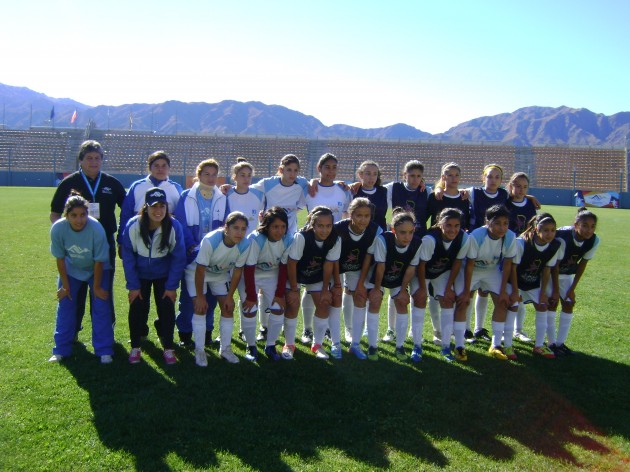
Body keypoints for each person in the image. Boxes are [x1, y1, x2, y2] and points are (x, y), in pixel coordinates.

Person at [50, 140, 125, 339]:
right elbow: (55, 213)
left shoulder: (111, 183)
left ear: (102, 160)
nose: (94, 162)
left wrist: (121, 239)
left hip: (104, 243)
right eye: (89, 158)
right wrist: (63, 236)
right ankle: (72, 330)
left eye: (97, 158)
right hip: (75, 245)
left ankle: (104, 331)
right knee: (76, 286)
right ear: (81, 160)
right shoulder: (69, 183)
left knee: (102, 287)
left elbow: (126, 211)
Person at [122, 188, 187, 365]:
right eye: (153, 206)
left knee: (166, 308)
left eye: (162, 206)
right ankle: (136, 345)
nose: (158, 211)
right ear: (145, 207)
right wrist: (133, 286)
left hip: (164, 276)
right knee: (137, 308)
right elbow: (127, 257)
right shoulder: (133, 225)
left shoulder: (174, 226)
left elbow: (178, 258)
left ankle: (168, 347)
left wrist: (172, 286)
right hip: (140, 275)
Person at [49, 192, 114, 364]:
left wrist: (97, 287)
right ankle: (60, 350)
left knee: (101, 306)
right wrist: (65, 286)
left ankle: (104, 350)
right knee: (66, 305)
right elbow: (60, 258)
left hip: (97, 269)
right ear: (66, 215)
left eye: (83, 215)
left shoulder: (96, 229)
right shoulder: (58, 229)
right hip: (72, 270)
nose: (79, 220)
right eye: (74, 215)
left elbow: (100, 261)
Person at [174, 159, 227, 348]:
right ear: (198, 175)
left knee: (210, 297)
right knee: (190, 297)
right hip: (192, 255)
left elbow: (225, 227)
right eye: (207, 174)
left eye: (214, 174)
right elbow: (180, 224)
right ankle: (185, 334)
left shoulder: (221, 197)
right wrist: (192, 247)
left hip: (214, 255)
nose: (211, 178)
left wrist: (217, 249)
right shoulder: (186, 196)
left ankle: (206, 333)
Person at [302, 153, 352, 344]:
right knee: (309, 287)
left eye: (334, 167)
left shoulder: (342, 190)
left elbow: (347, 212)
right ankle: (307, 329)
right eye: (327, 167)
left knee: (332, 286)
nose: (331, 171)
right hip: (311, 245)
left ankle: (330, 328)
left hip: (334, 245)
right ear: (319, 169)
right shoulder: (309, 189)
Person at [457, 204, 518, 360]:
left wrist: (503, 290)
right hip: (472, 270)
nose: (502, 228)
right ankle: (459, 345)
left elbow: (508, 265)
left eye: (505, 223)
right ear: (487, 222)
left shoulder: (510, 237)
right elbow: (469, 265)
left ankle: (496, 345)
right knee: (462, 302)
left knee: (503, 301)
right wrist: (465, 291)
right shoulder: (477, 236)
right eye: (497, 223)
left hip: (491, 271)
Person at [191, 212, 250, 366]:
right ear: (226, 228)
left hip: (220, 274)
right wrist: (200, 296)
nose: (239, 232)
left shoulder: (245, 244)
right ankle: (200, 351)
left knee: (228, 308)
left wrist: (230, 296)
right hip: (197, 273)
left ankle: (225, 349)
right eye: (235, 228)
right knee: (200, 308)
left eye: (243, 229)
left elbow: (237, 271)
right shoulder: (211, 240)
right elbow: (200, 269)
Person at [364, 208, 422, 361]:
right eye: (403, 232)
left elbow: (410, 269)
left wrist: (403, 290)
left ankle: (400, 346)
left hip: (399, 276)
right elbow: (380, 266)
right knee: (375, 301)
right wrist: (377, 289)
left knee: (402, 302)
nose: (407, 236)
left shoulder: (417, 243)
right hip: (379, 275)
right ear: (393, 229)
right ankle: (372, 346)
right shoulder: (383, 240)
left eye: (411, 232)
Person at [381, 160, 429, 343]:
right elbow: (373, 188)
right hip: (397, 242)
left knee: (417, 289)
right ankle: (391, 329)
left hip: (417, 243)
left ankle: (414, 331)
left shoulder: (427, 192)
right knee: (395, 287)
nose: (415, 179)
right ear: (404, 175)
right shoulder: (394, 188)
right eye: (411, 175)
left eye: (418, 176)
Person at [285, 206, 342, 359]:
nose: (325, 230)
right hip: (295, 275)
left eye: (328, 226)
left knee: (324, 302)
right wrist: (294, 289)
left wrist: (325, 289)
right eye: (320, 226)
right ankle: (289, 344)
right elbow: (291, 263)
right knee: (292, 303)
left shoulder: (335, 239)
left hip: (316, 275)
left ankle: (317, 344)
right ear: (312, 224)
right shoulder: (302, 237)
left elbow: (328, 265)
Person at [426, 162, 471, 345]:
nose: (453, 178)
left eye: (456, 175)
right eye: (449, 175)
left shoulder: (464, 197)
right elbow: (424, 219)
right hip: (435, 247)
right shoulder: (435, 196)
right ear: (442, 177)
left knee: (453, 291)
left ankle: (457, 329)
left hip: (455, 246)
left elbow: (467, 222)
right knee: (433, 294)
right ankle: (437, 331)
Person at [417, 208, 471, 362]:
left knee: (448, 300)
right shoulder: (430, 239)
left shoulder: (464, 238)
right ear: (440, 223)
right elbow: (421, 265)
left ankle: (446, 346)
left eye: (456, 225)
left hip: (442, 272)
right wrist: (422, 288)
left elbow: (457, 263)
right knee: (420, 300)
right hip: (421, 272)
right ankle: (416, 344)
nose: (452, 229)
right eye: (448, 225)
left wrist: (448, 288)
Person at [242, 207, 294, 361]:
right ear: (267, 226)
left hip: (272, 274)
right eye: (275, 227)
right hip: (251, 274)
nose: (279, 231)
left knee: (278, 308)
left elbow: (283, 267)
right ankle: (251, 346)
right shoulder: (256, 238)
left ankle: (270, 345)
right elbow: (249, 268)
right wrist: (252, 296)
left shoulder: (288, 239)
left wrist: (279, 294)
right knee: (249, 308)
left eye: (283, 226)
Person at [334, 198, 383, 358]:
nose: (363, 220)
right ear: (350, 214)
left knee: (361, 296)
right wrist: (336, 282)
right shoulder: (338, 229)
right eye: (359, 215)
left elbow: (369, 258)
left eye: (367, 216)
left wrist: (361, 283)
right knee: (332, 297)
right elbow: (332, 258)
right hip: (335, 266)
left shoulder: (375, 230)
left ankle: (355, 342)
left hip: (361, 268)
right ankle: (333, 340)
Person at [546, 208, 599, 356]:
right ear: (576, 225)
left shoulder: (594, 240)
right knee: (552, 303)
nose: (589, 230)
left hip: (566, 274)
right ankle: (551, 343)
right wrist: (556, 291)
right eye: (585, 225)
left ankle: (560, 343)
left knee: (569, 303)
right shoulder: (563, 237)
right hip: (550, 274)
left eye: (592, 226)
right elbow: (554, 266)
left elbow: (582, 264)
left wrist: (572, 289)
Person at [511, 213, 562, 359]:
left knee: (542, 306)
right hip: (515, 281)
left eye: (553, 230)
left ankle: (539, 346)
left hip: (533, 283)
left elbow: (547, 270)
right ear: (536, 230)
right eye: (545, 230)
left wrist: (543, 292)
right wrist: (514, 290)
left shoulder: (554, 246)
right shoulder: (522, 243)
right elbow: (512, 268)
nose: (549, 234)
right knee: (511, 306)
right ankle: (506, 344)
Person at [119, 150, 183, 236]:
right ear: (150, 168)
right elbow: (126, 214)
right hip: (139, 233)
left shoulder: (176, 188)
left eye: (164, 166)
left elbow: (181, 217)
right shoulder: (137, 186)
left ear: (169, 168)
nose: (160, 169)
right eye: (156, 166)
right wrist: (121, 239)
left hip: (166, 235)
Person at [506, 172, 538, 342]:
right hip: (505, 250)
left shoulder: (530, 204)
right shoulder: (505, 202)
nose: (521, 190)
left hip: (524, 251)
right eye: (517, 186)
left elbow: (532, 227)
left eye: (525, 187)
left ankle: (518, 330)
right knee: (505, 291)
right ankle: (481, 328)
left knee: (519, 291)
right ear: (510, 185)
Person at [226, 158, 264, 237]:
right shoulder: (226, 194)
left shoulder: (259, 195)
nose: (246, 179)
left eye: (249, 175)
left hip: (251, 242)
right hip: (231, 242)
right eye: (242, 175)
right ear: (235, 177)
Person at [352, 160, 388, 231]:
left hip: (379, 234)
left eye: (375, 174)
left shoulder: (384, 191)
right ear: (360, 175)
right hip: (358, 234)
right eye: (368, 174)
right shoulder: (353, 191)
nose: (371, 177)